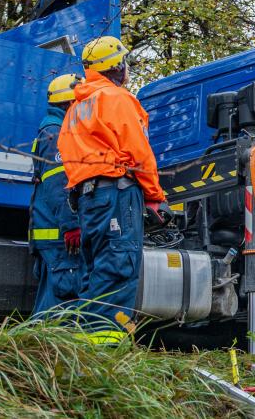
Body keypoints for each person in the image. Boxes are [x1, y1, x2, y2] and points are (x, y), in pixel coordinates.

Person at [57, 36, 170, 343]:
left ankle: (83, 343)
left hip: (88, 198)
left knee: (95, 271)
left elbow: (69, 158)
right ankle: (105, 348)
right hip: (117, 193)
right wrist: (155, 197)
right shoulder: (118, 99)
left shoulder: (76, 109)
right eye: (124, 62)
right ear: (117, 66)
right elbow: (138, 153)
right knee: (120, 266)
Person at [30, 73, 84, 315]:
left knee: (52, 300)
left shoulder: (52, 130)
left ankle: (34, 347)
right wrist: (71, 224)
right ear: (70, 103)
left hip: (53, 233)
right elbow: (58, 186)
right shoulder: (56, 133)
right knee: (59, 303)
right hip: (59, 236)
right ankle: (40, 349)